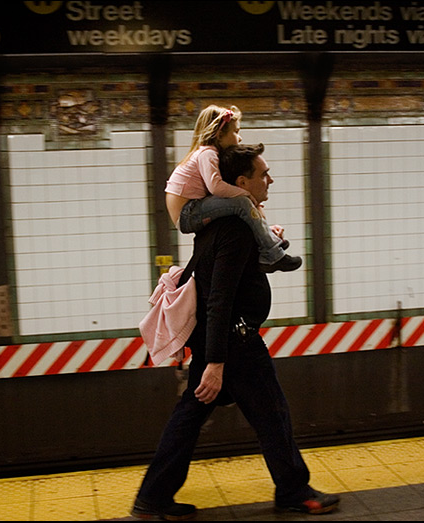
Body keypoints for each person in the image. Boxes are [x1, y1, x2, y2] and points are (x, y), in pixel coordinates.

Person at [131, 144, 339, 520]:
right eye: (263, 174)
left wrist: (272, 242)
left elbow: (234, 276)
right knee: (272, 415)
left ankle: (153, 497)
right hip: (235, 344)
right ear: (241, 182)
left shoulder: (222, 226)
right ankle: (294, 490)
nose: (269, 179)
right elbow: (219, 298)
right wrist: (215, 363)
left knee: (189, 417)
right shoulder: (234, 230)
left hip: (222, 342)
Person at [165, 104, 301, 273]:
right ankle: (272, 254)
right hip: (188, 213)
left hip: (191, 210)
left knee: (242, 204)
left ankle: (269, 239)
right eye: (236, 132)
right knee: (241, 203)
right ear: (220, 134)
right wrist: (246, 194)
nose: (239, 138)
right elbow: (216, 187)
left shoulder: (208, 154)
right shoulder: (207, 153)